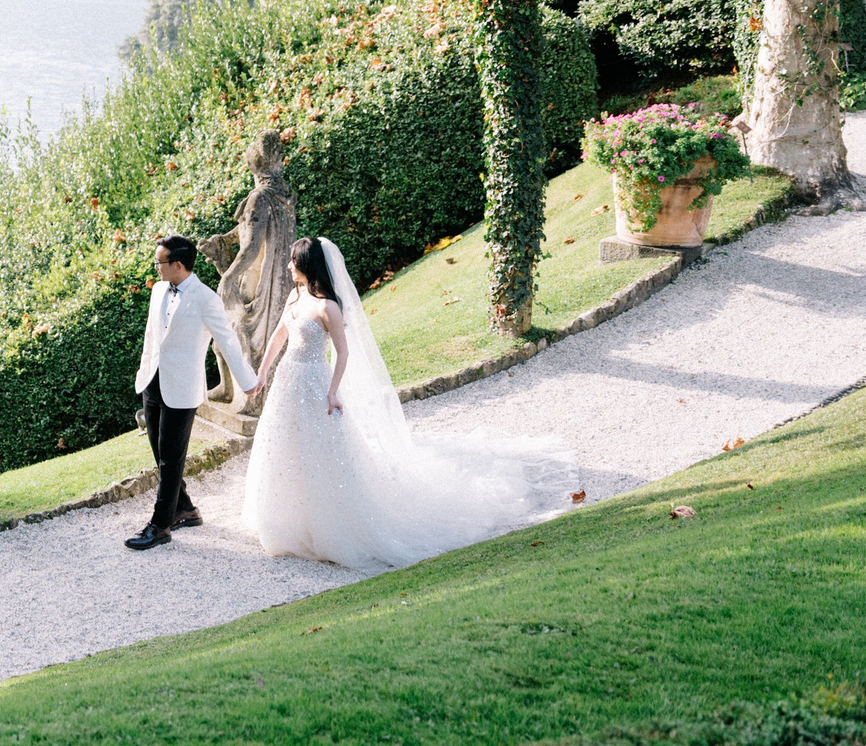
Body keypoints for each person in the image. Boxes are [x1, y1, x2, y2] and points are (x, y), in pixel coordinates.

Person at [245, 236, 575, 569]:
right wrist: (262, 373)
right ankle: (289, 519)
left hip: (315, 383)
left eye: (292, 261)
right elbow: (278, 337)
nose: (289, 266)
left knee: (319, 450)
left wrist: (332, 391)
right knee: (285, 444)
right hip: (288, 380)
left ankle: (327, 524)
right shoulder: (295, 296)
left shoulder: (327, 306)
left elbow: (344, 352)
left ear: (306, 264)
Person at [126, 235, 260, 551]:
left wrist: (247, 381)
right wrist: (143, 373)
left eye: (160, 262)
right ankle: (185, 509)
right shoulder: (159, 289)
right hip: (153, 382)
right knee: (161, 455)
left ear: (177, 264)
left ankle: (159, 526)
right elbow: (151, 335)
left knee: (172, 457)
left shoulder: (206, 299)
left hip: (183, 388)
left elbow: (227, 341)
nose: (156, 267)